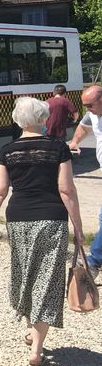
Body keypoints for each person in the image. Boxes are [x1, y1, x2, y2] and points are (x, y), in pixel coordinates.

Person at [0, 97, 83, 366]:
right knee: (48, 279)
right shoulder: (58, 148)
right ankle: (37, 348)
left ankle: (31, 329)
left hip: (18, 219)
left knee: (26, 273)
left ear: (17, 120)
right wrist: (78, 226)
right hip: (51, 218)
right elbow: (67, 190)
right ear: (43, 119)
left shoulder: (7, 150)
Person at [69, 85, 102, 272]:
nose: (87, 109)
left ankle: (94, 261)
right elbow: (84, 126)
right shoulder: (93, 115)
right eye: (85, 106)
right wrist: (74, 142)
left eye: (90, 105)